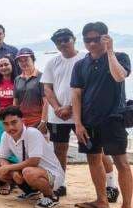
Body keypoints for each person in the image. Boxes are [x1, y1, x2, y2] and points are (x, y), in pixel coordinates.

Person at [42, 28, 118, 199]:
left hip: (83, 114)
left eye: (66, 39)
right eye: (58, 41)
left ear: (74, 39)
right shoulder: (52, 62)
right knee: (59, 150)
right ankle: (60, 183)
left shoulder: (86, 57)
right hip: (58, 115)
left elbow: (89, 86)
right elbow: (47, 87)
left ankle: (110, 184)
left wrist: (69, 107)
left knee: (97, 151)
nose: (62, 43)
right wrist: (56, 108)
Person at [71, 22, 133, 208]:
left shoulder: (120, 56)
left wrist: (110, 51)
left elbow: (119, 76)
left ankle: (127, 207)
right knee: (93, 159)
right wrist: (78, 123)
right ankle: (101, 200)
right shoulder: (80, 64)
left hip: (113, 118)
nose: (91, 43)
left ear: (105, 37)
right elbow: (77, 94)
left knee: (122, 163)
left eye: (96, 39)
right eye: (87, 40)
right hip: (88, 121)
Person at [0, 106, 64, 208]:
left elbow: (34, 161)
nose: (10, 127)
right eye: (6, 124)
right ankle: (31, 192)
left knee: (28, 171)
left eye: (14, 122)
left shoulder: (32, 133)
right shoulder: (5, 135)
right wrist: (11, 171)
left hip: (52, 174)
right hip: (30, 171)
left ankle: (51, 197)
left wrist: (10, 168)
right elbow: (2, 157)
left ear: (22, 121)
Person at [13, 48, 48, 131]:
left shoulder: (42, 77)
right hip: (22, 122)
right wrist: (15, 119)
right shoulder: (17, 79)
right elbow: (15, 102)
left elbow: (46, 102)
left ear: (33, 59)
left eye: (26, 60)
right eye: (20, 61)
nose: (23, 63)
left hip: (38, 121)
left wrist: (43, 121)